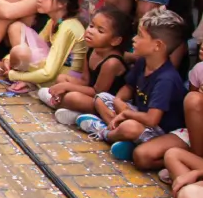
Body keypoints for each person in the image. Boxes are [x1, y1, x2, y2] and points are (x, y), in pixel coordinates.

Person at [75, 9, 188, 161]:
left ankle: (105, 133)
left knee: (130, 128)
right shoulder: (143, 61)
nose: (134, 39)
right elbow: (128, 87)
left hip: (159, 130)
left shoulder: (166, 79)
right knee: (101, 98)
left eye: (140, 35)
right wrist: (118, 101)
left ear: (157, 45)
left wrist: (127, 114)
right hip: (137, 114)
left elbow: (152, 120)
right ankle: (121, 134)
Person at [0, 0, 86, 92]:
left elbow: (49, 73)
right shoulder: (54, 21)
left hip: (64, 79)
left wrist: (14, 75)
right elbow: (38, 45)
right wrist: (8, 58)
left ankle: (24, 79)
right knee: (17, 30)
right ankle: (21, 75)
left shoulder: (68, 27)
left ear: (62, 3)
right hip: (52, 71)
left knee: (21, 53)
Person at [41, 6, 131, 120]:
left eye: (100, 31)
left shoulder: (111, 62)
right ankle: (67, 107)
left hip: (105, 103)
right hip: (91, 93)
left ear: (115, 40)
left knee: (72, 97)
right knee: (62, 78)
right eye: (91, 26)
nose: (90, 31)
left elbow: (97, 92)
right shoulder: (91, 50)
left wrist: (67, 87)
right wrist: (65, 85)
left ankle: (78, 112)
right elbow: (85, 81)